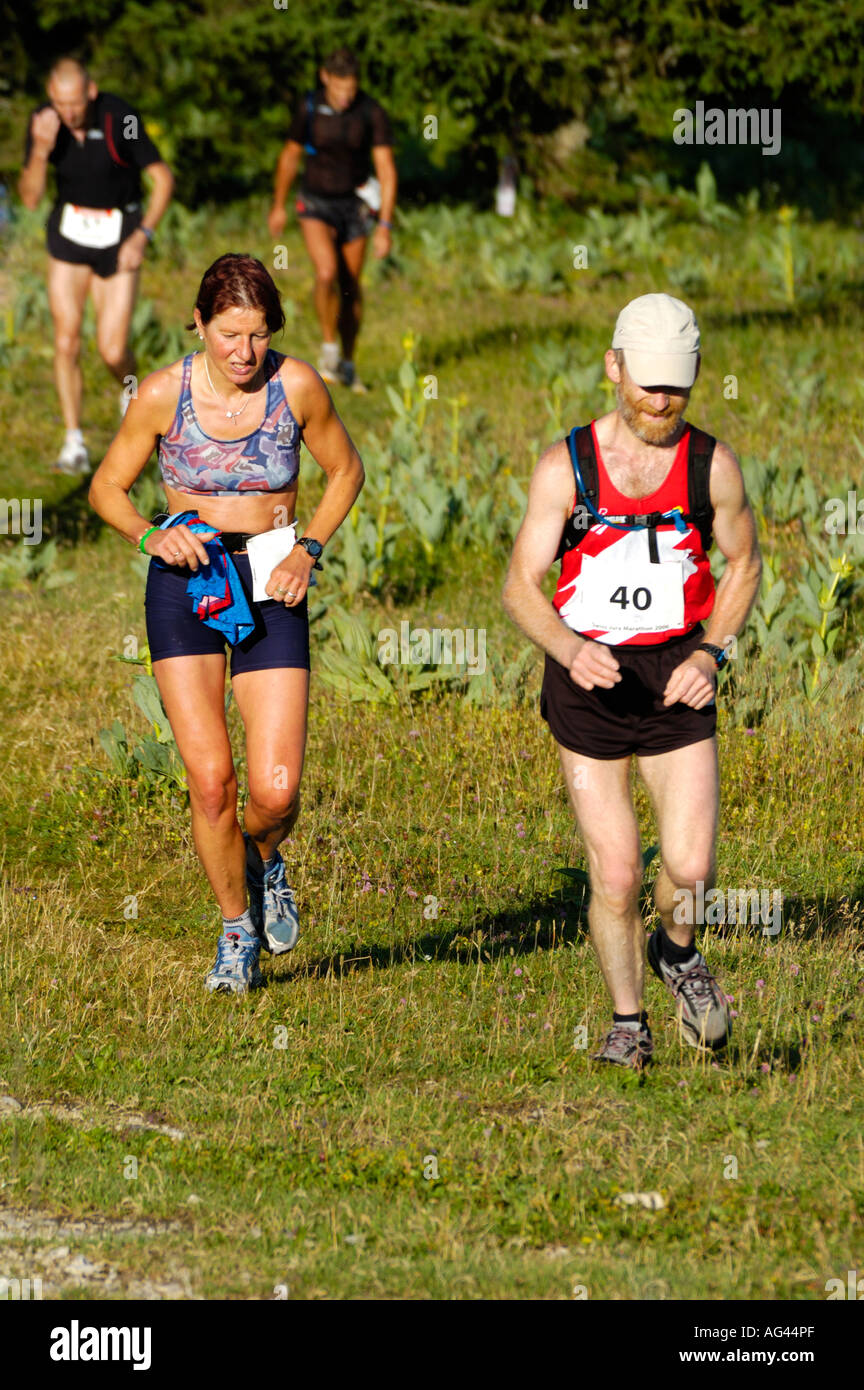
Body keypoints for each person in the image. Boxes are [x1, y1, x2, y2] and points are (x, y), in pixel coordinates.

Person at [89, 253, 365, 994]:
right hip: (188, 585)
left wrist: (309, 549)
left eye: (257, 334)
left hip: (275, 578)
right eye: (228, 334)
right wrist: (151, 535)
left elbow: (346, 470)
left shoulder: (296, 385)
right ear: (201, 324)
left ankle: (266, 858)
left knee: (274, 790)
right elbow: (107, 488)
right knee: (211, 781)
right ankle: (235, 931)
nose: (243, 353)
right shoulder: (159, 395)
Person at [502, 293, 762, 1069]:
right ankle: (628, 1022)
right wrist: (565, 645)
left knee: (689, 870)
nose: (661, 400)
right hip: (587, 678)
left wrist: (712, 653)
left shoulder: (712, 466)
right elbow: (520, 584)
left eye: (676, 385)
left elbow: (746, 564)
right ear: (614, 368)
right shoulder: (567, 466)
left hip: (677, 672)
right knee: (616, 872)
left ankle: (677, 953)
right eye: (648, 383)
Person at [18, 58, 174, 475]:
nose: (66, 112)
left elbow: (162, 179)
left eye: (73, 103)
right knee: (66, 341)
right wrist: (40, 149)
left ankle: (132, 393)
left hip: (119, 233)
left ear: (90, 91)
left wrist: (143, 235)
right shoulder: (44, 122)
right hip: (68, 233)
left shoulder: (119, 117)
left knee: (111, 349)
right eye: (58, 103)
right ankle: (74, 442)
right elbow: (30, 198)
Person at [267, 47, 397, 394]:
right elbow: (290, 155)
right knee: (325, 273)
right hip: (314, 203)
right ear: (325, 78)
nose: (344, 97)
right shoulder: (308, 107)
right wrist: (278, 205)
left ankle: (349, 364)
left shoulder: (370, 112)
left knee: (350, 285)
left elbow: (385, 168)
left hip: (355, 206)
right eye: (339, 89)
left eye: (351, 90)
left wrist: (385, 225)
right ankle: (328, 350)